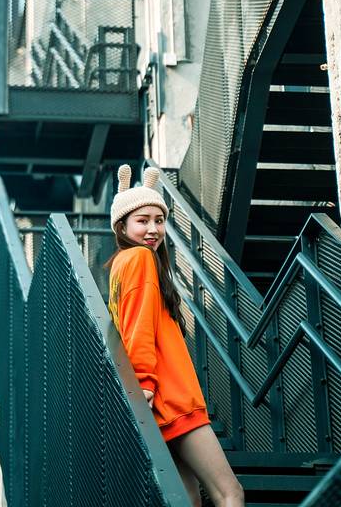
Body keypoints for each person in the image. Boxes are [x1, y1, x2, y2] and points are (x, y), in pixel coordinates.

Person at [106, 164, 244, 507]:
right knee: (229, 493)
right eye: (142, 221)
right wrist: (144, 382)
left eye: (159, 220)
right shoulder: (139, 258)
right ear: (122, 226)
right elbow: (138, 326)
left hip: (160, 399)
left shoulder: (121, 266)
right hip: (171, 399)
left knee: (189, 501)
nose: (153, 229)